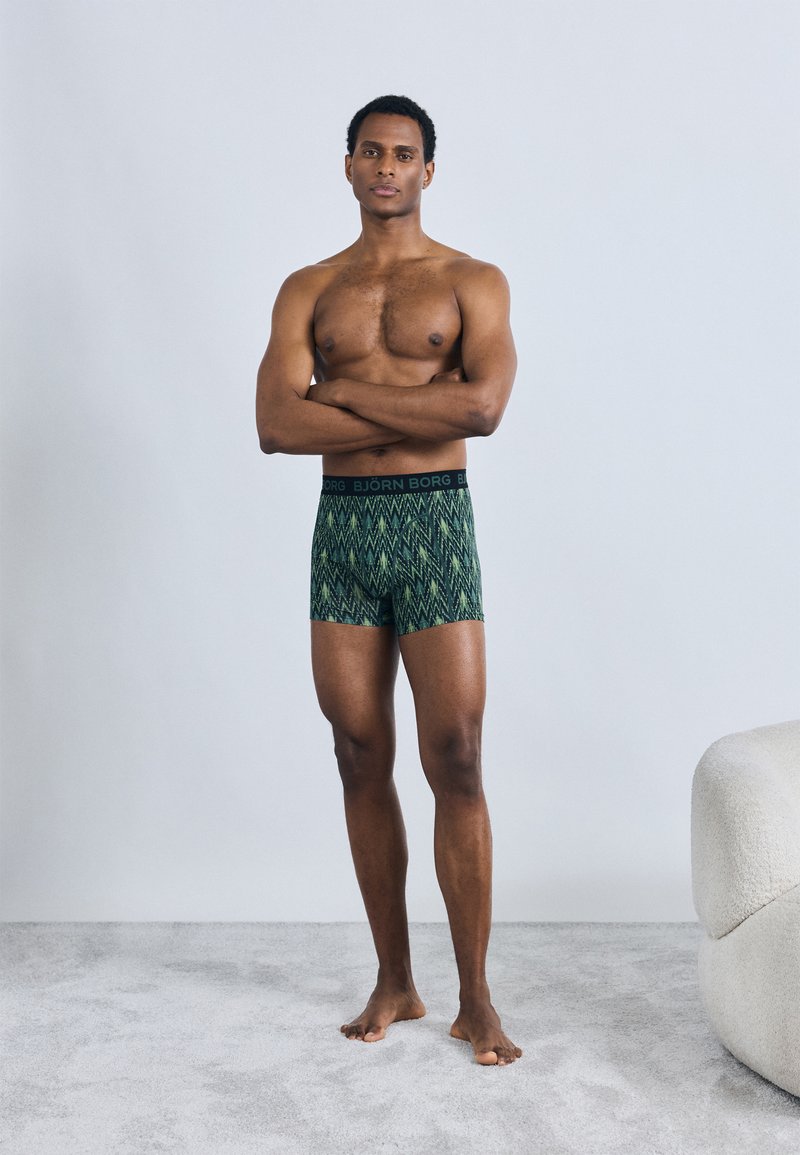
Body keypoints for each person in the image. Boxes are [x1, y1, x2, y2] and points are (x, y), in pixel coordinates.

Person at [255, 95, 521, 1066]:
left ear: (427, 171)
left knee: (456, 755)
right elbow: (276, 425)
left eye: (404, 154)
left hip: (435, 520)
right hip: (345, 530)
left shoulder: (470, 281)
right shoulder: (308, 289)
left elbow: (482, 409)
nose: (386, 167)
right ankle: (396, 980)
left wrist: (341, 394)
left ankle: (477, 999)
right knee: (358, 751)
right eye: (370, 151)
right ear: (348, 165)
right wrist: (416, 405)